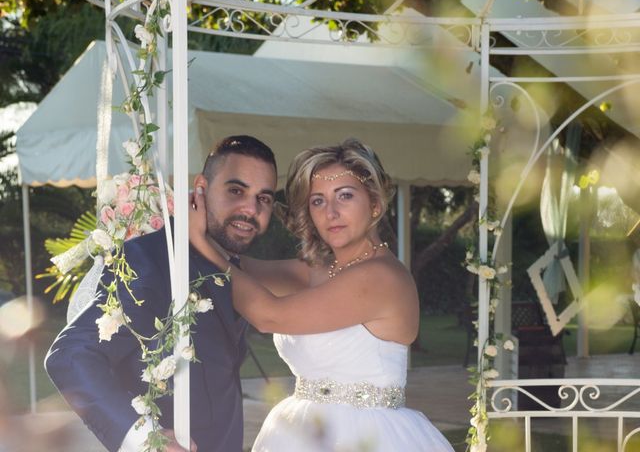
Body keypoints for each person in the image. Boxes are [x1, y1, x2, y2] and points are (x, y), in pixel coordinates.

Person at [190, 138, 454, 451]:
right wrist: (194, 225)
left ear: (374, 203)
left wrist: (198, 239)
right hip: (298, 432)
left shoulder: (382, 277)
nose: (331, 212)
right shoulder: (322, 271)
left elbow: (269, 315)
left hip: (367, 439)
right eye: (318, 201)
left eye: (345, 196)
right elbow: (240, 268)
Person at [45, 135, 278, 452]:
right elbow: (71, 356)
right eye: (236, 191)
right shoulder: (153, 257)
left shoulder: (232, 263)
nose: (250, 208)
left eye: (263, 198)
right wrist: (143, 439)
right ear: (201, 188)